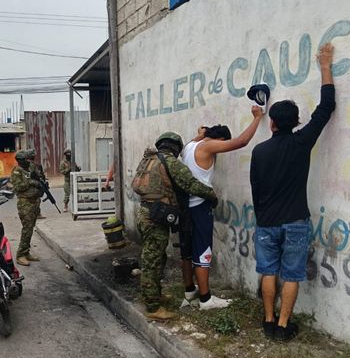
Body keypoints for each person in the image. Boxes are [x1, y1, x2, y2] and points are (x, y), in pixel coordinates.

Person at [251, 42, 335, 341]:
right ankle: (284, 326)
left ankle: (269, 319)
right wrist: (325, 66)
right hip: (296, 221)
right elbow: (326, 110)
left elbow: (255, 189)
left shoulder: (260, 151)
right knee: (292, 274)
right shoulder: (301, 143)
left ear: (271, 122)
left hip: (267, 223)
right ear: (296, 122)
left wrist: (262, 217)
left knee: (269, 271)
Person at [180, 105, 265, 310]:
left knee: (187, 251)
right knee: (203, 251)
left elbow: (197, 139)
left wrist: (200, 134)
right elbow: (242, 141)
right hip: (200, 206)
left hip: (184, 207)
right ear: (220, 140)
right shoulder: (208, 146)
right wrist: (257, 118)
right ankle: (206, 298)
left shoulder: (190, 146)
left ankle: (189, 291)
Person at [134, 132, 218, 320]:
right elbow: (190, 184)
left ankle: (154, 295)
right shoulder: (170, 162)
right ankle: (153, 307)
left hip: (145, 213)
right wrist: (211, 195)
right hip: (155, 218)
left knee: (157, 257)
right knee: (152, 261)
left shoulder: (149, 159)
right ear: (175, 147)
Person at [10, 150, 43, 266]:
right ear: (20, 161)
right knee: (27, 229)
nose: (28, 161)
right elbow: (18, 187)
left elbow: (38, 176)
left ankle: (26, 252)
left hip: (34, 202)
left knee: (30, 228)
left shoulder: (29, 168)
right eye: (25, 159)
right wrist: (31, 182)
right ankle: (20, 255)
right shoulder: (17, 172)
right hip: (25, 203)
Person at [26, 148, 46, 220]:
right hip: (31, 185)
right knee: (35, 200)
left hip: (35, 185)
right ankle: (34, 214)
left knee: (36, 199)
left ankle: (37, 214)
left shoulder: (36, 165)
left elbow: (41, 175)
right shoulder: (28, 165)